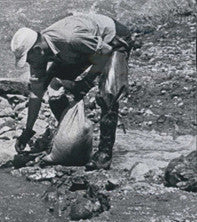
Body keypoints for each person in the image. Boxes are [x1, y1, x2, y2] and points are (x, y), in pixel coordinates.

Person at [10, 12, 133, 169]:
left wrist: (86, 82)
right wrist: (27, 132)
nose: (29, 63)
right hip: (83, 48)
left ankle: (104, 154)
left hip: (113, 40)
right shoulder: (39, 53)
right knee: (55, 87)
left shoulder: (70, 39)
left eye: (27, 59)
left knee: (108, 93)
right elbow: (36, 93)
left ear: (38, 50)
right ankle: (72, 133)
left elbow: (105, 51)